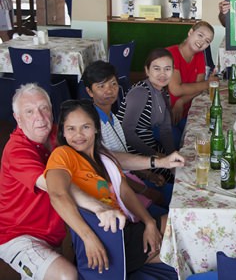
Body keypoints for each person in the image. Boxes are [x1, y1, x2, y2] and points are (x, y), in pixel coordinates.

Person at [0, 84, 126, 279]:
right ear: (18, 118)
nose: (40, 118)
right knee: (65, 275)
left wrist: (155, 162)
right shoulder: (16, 151)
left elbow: (101, 156)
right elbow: (57, 189)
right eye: (29, 111)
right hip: (18, 236)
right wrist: (99, 208)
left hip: (53, 234)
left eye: (44, 108)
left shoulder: (57, 134)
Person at [44, 99, 177, 278]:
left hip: (127, 226)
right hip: (111, 241)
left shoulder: (103, 157)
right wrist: (88, 238)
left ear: (96, 128)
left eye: (85, 127)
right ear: (63, 133)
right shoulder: (63, 155)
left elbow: (125, 192)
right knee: (186, 246)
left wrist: (149, 222)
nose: (78, 135)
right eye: (71, 129)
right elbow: (57, 194)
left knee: (182, 222)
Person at [82, 59, 182, 212]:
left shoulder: (112, 117)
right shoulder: (93, 125)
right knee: (172, 205)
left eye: (113, 84)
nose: (109, 90)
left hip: (132, 179)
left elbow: (123, 158)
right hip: (117, 192)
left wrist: (148, 175)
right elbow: (107, 170)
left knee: (176, 194)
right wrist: (144, 190)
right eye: (101, 86)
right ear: (89, 91)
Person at [166, 21, 219, 146]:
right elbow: (176, 89)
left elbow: (198, 88)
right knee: (180, 141)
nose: (202, 42)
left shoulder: (200, 55)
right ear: (190, 32)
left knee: (206, 135)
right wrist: (208, 83)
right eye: (200, 35)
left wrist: (181, 101)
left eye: (207, 41)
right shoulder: (171, 54)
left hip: (187, 111)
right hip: (164, 115)